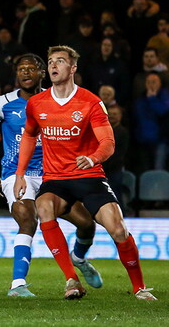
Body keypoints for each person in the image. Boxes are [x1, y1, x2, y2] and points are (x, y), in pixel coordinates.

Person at [14, 46, 155, 301]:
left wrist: (92, 158)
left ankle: (139, 288)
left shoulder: (90, 102)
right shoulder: (36, 103)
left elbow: (108, 143)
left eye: (60, 61)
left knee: (118, 229)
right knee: (43, 206)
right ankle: (72, 280)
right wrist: (20, 173)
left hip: (89, 176)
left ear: (72, 68)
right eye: (50, 61)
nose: (53, 66)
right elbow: (29, 135)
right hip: (55, 179)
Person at [0, 53, 101, 297]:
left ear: (42, 73)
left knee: (87, 224)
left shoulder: (55, 100)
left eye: (31, 68)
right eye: (21, 69)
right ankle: (17, 285)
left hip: (52, 176)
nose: (25, 72)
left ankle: (78, 258)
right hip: (16, 175)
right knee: (27, 219)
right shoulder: (1, 103)